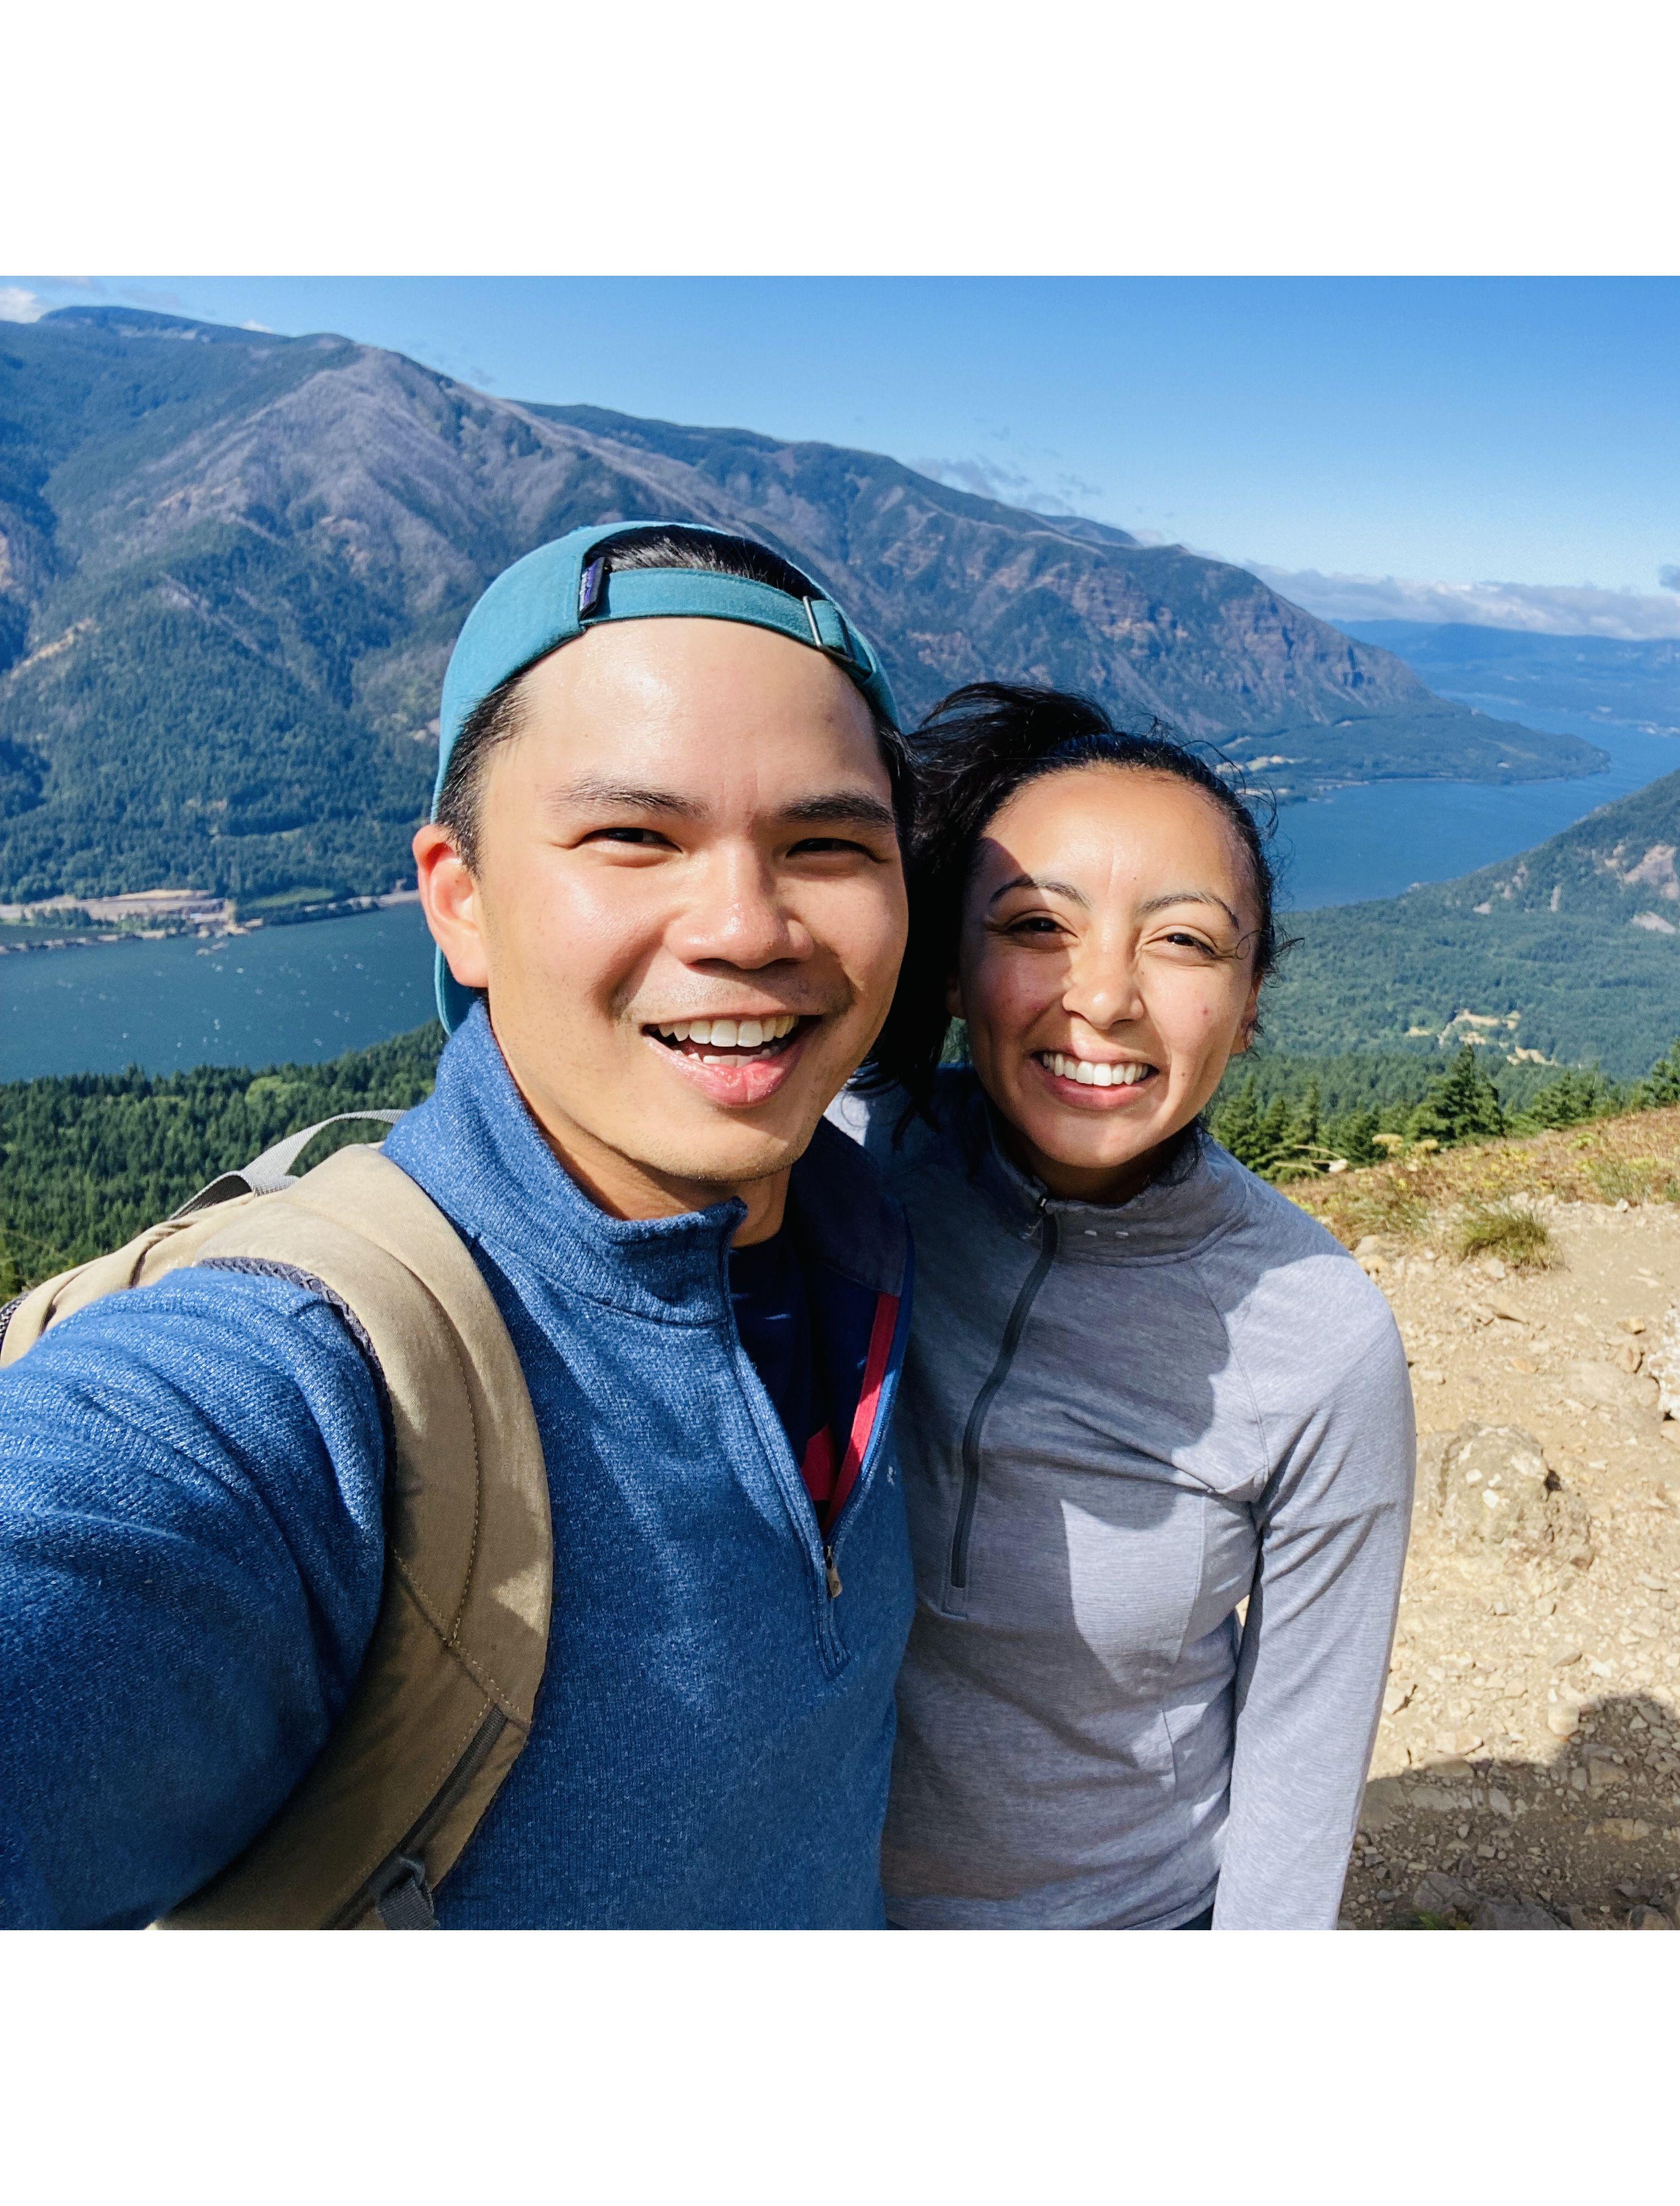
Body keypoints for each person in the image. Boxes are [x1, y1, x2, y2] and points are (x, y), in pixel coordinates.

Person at [0, 521, 918, 1929]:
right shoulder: (315, 1374)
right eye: (634, 836)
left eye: (827, 842)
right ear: (462, 901)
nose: (747, 925)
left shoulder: (890, 1234)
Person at [844, 683, 1416, 1929]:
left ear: (1251, 1003)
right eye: (1037, 924)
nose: (1102, 997)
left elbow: (1301, 1770)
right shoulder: (844, 1172)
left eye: (1185, 942)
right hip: (812, 1901)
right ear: (950, 965)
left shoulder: (1318, 1338)